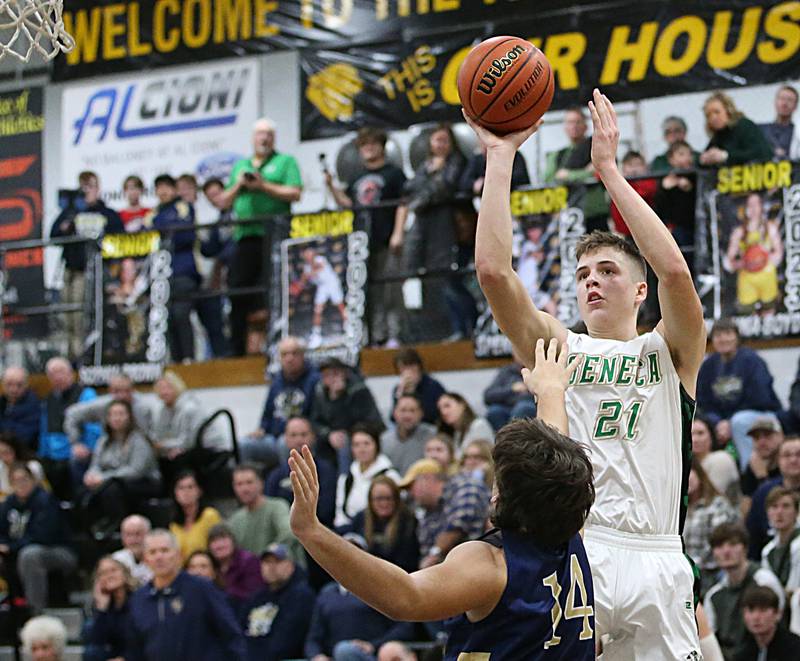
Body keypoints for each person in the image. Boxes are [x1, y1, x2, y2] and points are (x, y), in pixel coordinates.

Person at [468, 88, 706, 657]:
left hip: (657, 553)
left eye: (607, 270)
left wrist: (609, 173)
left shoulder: (669, 349)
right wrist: (499, 159)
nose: (591, 281)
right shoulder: (559, 345)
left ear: (639, 290)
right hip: (580, 549)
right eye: (582, 274)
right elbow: (493, 273)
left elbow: (674, 270)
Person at [289, 338, 597, 659]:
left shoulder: (489, 567)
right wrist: (550, 391)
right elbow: (552, 459)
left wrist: (312, 532)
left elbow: (404, 597)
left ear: (500, 497)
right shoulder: (572, 535)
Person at [219, 117, 303, 356]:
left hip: (274, 236)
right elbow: (224, 201)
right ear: (253, 138)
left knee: (274, 290)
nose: (264, 138)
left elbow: (295, 193)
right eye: (259, 134)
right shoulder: (241, 165)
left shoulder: (285, 162)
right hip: (245, 237)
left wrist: (263, 186)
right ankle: (235, 350)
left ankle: (278, 347)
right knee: (237, 291)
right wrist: (240, 184)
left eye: (268, 134)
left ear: (274, 138)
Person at [325, 127, 407, 348]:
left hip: (387, 237)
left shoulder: (394, 173)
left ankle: (394, 334)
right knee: (368, 290)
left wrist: (398, 233)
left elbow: (403, 203)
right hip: (363, 241)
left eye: (372, 144)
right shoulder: (355, 176)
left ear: (382, 147)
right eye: (364, 145)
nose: (368, 148)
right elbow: (349, 204)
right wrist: (331, 187)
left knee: (391, 289)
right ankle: (376, 335)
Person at [126, 528, 246, 660]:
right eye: (152, 552)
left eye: (165, 550)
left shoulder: (201, 588)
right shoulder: (139, 599)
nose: (159, 557)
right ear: (145, 559)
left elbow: (230, 634)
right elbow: (136, 647)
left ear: (178, 555)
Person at [402, 123, 467, 341]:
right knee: (421, 278)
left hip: (448, 228)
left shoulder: (457, 162)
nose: (440, 145)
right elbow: (410, 188)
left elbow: (445, 187)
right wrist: (428, 185)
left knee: (451, 281)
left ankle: (463, 328)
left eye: (444, 140)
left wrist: (421, 200)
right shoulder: (425, 165)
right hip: (424, 229)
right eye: (437, 140)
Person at [51, 170, 124, 359]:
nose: (86, 191)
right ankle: (69, 356)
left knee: (80, 316)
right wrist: (69, 218)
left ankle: (81, 356)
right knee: (66, 317)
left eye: (90, 186)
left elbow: (120, 243)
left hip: (91, 271)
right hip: (69, 270)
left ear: (98, 188)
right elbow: (53, 237)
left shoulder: (107, 214)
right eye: (82, 186)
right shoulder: (71, 212)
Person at [697, 318, 784, 471]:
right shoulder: (708, 365)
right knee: (701, 425)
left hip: (761, 414)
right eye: (718, 335)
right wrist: (718, 422)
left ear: (737, 337)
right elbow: (703, 402)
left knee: (739, 421)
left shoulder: (752, 361)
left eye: (728, 333)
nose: (723, 339)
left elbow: (760, 399)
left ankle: (749, 473)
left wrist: (729, 422)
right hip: (723, 421)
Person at [0, 463, 76, 613]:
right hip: (20, 551)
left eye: (24, 479)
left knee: (30, 554)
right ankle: (9, 610)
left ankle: (35, 612)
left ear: (33, 480)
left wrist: (10, 547)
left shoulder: (46, 501)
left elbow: (42, 536)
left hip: (60, 552)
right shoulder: (7, 505)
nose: (21, 484)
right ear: (10, 483)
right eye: (16, 481)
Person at [704, 522, 785, 657]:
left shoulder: (764, 580)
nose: (726, 551)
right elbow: (709, 636)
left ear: (745, 548)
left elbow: (779, 625)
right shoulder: (714, 595)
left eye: (733, 544)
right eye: (719, 546)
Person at [81, 400, 161, 532]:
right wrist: (91, 475)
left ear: (129, 416)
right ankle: (90, 529)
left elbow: (136, 470)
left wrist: (104, 478)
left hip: (143, 482)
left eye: (121, 414)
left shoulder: (138, 439)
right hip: (112, 480)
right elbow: (95, 464)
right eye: (112, 414)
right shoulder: (104, 441)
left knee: (113, 489)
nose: (116, 418)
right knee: (83, 492)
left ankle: (116, 525)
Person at [400, 457, 490, 569]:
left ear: (427, 478)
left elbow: (460, 522)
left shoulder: (465, 486)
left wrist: (434, 554)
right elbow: (424, 548)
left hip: (476, 566)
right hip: (448, 572)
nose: (410, 494)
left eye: (411, 486)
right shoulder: (427, 513)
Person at [245, 336, 320, 464]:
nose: (289, 358)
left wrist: (296, 434)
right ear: (280, 358)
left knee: (284, 444)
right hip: (274, 436)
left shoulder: (315, 380)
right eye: (285, 354)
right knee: (244, 445)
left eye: (294, 353)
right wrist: (261, 429)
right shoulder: (276, 381)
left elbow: (317, 415)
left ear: (303, 356)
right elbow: (267, 414)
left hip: (301, 437)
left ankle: (288, 482)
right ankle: (251, 481)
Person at [150, 173, 201, 363]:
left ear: (174, 189)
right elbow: (148, 238)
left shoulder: (183, 207)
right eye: (158, 187)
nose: (162, 191)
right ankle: (176, 359)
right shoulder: (153, 213)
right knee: (166, 317)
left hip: (183, 271)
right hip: (159, 275)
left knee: (182, 314)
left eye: (166, 187)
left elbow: (186, 235)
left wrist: (163, 230)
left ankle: (188, 358)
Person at [152, 370, 231, 489]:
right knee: (162, 459)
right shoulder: (164, 410)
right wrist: (166, 448)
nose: (164, 392)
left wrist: (164, 446)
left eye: (168, 388)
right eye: (160, 389)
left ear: (177, 387)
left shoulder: (189, 407)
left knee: (178, 460)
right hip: (191, 447)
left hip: (212, 448)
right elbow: (161, 435)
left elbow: (189, 441)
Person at [38, 357, 102, 500]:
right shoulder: (48, 400)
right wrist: (42, 454)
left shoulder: (86, 394)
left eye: (61, 372)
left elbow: (94, 427)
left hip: (77, 451)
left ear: (71, 373)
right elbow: (44, 430)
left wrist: (87, 447)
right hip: (53, 454)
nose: (57, 377)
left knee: (74, 465)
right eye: (52, 374)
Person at [241, 543, 316, 661]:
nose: (271, 567)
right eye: (267, 562)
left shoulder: (301, 596)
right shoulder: (256, 597)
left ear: (291, 565)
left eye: (277, 561)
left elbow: (287, 641)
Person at [310, 357, 385, 471]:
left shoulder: (358, 389)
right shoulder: (320, 391)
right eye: (326, 375)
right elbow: (314, 421)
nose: (331, 379)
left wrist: (338, 398)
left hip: (362, 433)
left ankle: (344, 482)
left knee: (343, 442)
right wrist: (329, 434)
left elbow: (362, 422)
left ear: (344, 373)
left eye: (334, 374)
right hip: (331, 437)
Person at [63, 373, 154, 468]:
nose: (122, 396)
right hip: (110, 453)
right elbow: (71, 413)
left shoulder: (145, 407)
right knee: (77, 460)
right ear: (110, 391)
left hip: (137, 452)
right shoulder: (102, 405)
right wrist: (76, 443)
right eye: (117, 391)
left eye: (126, 391)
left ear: (132, 389)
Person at [542, 106, 608, 232]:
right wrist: (585, 172)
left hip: (594, 212)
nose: (574, 126)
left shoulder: (596, 147)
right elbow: (549, 179)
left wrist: (568, 176)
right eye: (570, 122)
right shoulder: (559, 155)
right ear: (565, 127)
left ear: (586, 125)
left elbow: (600, 171)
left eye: (578, 121)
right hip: (569, 213)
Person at [265, 417, 337, 527]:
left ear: (313, 437)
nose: (299, 440)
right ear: (285, 439)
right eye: (293, 435)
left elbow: (326, 511)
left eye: (303, 435)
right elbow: (270, 512)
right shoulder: (275, 475)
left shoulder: (327, 471)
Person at [683, 457, 740, 595]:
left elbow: (719, 541)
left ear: (700, 475)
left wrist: (690, 565)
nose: (686, 478)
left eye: (689, 472)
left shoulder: (717, 505)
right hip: (683, 573)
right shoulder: (676, 510)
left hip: (712, 572)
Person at [227, 463, 301, 561]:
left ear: (261, 483)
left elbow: (288, 533)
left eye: (249, 482)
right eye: (239, 484)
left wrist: (266, 558)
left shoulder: (277, 506)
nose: (244, 489)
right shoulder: (235, 520)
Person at [347, 475, 420, 573]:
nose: (384, 503)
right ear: (370, 500)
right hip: (363, 574)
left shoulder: (408, 521)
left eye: (388, 498)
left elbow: (407, 563)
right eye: (379, 499)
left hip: (396, 576)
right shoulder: (361, 518)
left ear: (396, 499)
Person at [335, 424, 401, 529]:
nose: (362, 449)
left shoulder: (391, 476)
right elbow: (340, 513)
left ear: (376, 445)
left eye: (366, 444)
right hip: (349, 531)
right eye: (356, 445)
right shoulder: (346, 478)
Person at [748, 437, 800, 560]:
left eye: (799, 455)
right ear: (778, 461)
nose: (793, 460)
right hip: (771, 560)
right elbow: (754, 537)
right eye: (787, 455)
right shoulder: (764, 493)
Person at [83, 556, 136, 661]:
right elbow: (97, 641)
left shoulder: (138, 600)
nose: (109, 575)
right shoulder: (99, 604)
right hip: (112, 655)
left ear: (125, 574)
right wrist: (102, 608)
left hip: (135, 655)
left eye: (113, 570)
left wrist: (125, 658)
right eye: (103, 573)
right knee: (92, 651)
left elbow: (142, 639)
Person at [700, 91, 774, 167]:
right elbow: (702, 156)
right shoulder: (719, 135)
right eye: (708, 115)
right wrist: (704, 158)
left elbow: (761, 153)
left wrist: (726, 156)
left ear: (728, 111)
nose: (713, 118)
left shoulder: (744, 126)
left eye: (717, 112)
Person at [297, 244, 348, 349]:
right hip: (322, 287)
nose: (308, 255)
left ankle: (349, 329)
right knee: (318, 310)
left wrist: (309, 273)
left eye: (310, 253)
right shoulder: (306, 268)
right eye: (306, 253)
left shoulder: (320, 259)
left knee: (341, 306)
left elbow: (318, 267)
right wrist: (299, 285)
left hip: (332, 283)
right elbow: (302, 282)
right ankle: (316, 335)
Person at [733, 585, 800, 660]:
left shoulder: (794, 647)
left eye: (763, 610)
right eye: (751, 610)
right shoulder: (742, 651)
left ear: (778, 614)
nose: (756, 617)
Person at [654, 140, 697, 252]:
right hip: (677, 227)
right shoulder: (666, 180)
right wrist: (665, 188)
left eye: (689, 154)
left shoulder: (696, 176)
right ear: (671, 159)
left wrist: (690, 188)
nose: (687, 158)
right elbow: (660, 207)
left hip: (696, 224)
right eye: (681, 154)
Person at [169, 470, 222, 561]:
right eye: (181, 488)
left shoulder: (210, 515)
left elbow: (220, 548)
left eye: (190, 487)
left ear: (199, 491)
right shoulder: (173, 525)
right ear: (175, 493)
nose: (186, 492)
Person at [760, 487, 800, 608]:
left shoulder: (798, 544)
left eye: (786, 506)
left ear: (796, 512)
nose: (779, 512)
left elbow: (793, 588)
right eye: (774, 507)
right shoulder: (767, 551)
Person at [207, 523, 264, 607]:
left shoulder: (248, 561)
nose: (219, 545)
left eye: (223, 539)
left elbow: (254, 595)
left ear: (233, 541)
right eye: (214, 541)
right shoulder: (209, 565)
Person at [482, 349, 537, 431]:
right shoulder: (506, 371)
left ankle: (514, 441)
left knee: (523, 408)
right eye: (518, 351)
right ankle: (502, 441)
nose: (521, 354)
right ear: (513, 354)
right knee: (494, 411)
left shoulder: (536, 370)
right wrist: (512, 389)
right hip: (507, 407)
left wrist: (529, 389)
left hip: (530, 407)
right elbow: (488, 396)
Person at [380, 395, 436, 475]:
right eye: (403, 410)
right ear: (394, 413)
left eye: (412, 411)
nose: (407, 415)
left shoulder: (432, 436)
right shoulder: (384, 440)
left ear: (421, 413)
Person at [692, 416, 741, 505]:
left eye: (700, 433)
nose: (695, 439)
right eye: (690, 434)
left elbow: (714, 498)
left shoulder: (720, 459)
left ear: (711, 436)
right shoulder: (684, 466)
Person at [608, 151, 658, 238]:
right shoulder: (619, 183)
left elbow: (645, 193)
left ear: (645, 167)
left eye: (638, 165)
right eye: (630, 165)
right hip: (625, 230)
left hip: (647, 229)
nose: (635, 169)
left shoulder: (650, 182)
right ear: (623, 168)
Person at [390, 348, 445, 426]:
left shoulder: (433, 386)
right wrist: (400, 395)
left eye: (411, 366)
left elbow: (432, 415)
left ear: (419, 367)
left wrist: (413, 393)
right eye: (403, 368)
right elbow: (393, 418)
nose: (408, 371)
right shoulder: (398, 389)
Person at [741, 417, 783, 516]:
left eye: (767, 436)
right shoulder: (753, 464)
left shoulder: (791, 463)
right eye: (756, 438)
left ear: (781, 436)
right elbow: (746, 509)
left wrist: (762, 477)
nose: (761, 442)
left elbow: (780, 507)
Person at [459, 143, 529, 197]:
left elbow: (518, 179)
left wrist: (484, 184)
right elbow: (464, 182)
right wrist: (475, 184)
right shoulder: (477, 159)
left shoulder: (514, 156)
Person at [0, 366, 40, 451]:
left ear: (26, 384)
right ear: (2, 384)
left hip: (24, 455)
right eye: (9, 384)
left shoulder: (34, 404)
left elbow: (24, 436)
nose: (14, 389)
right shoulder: (2, 402)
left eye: (19, 385)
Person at [0, 432, 46, 500]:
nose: (3, 458)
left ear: (15, 450)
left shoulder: (33, 466)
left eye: (6, 453)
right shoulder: (1, 467)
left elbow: (42, 492)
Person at [758, 85, 800, 160]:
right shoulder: (761, 130)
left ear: (795, 106)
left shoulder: (796, 134)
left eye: (790, 100)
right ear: (775, 101)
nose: (784, 103)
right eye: (782, 98)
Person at [112, 514, 153, 585]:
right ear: (122, 538)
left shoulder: (159, 557)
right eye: (128, 535)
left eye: (138, 534)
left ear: (149, 534)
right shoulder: (116, 560)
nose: (133, 540)